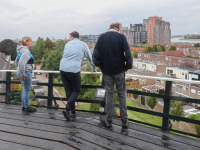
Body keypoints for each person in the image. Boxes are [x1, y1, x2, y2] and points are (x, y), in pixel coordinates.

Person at [92, 22, 133, 128]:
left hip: (106, 71)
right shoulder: (121, 37)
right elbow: (128, 54)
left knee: (109, 94)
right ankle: (124, 120)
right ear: (118, 29)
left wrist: (99, 65)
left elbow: (95, 55)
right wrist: (128, 66)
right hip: (119, 70)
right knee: (122, 94)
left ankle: (109, 120)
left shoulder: (101, 37)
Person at [60, 31, 96, 121]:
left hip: (63, 68)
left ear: (72, 37)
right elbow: (89, 57)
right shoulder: (83, 44)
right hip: (73, 69)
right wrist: (94, 68)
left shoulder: (67, 44)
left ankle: (73, 112)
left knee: (68, 91)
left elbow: (65, 56)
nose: (69, 38)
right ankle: (67, 108)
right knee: (76, 90)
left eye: (69, 37)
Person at [15, 37, 36, 113]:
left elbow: (16, 61)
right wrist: (23, 74)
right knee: (27, 90)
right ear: (26, 42)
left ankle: (24, 106)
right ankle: (27, 107)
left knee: (24, 90)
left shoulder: (20, 50)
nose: (32, 42)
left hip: (22, 72)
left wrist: (19, 71)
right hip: (26, 73)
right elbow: (21, 63)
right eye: (30, 41)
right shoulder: (26, 52)